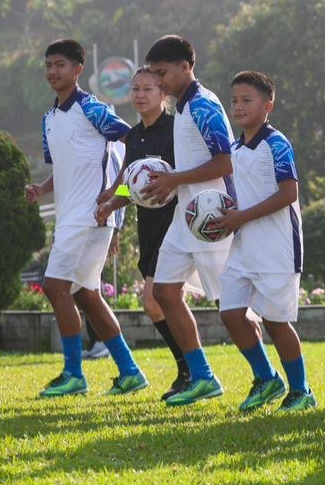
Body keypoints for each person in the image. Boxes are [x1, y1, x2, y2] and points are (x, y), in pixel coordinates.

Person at [26, 39, 146, 398]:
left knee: (55, 287)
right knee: (87, 296)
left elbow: (133, 141)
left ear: (78, 69)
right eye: (48, 65)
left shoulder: (92, 108)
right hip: (71, 219)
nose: (52, 71)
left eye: (60, 65)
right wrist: (43, 189)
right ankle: (130, 372)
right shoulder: (49, 119)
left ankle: (74, 375)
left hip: (89, 218)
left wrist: (117, 191)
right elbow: (65, 167)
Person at [211, 70, 316, 413]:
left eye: (247, 100)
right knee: (230, 313)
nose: (238, 107)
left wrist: (241, 217)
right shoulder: (235, 148)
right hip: (243, 247)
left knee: (275, 321)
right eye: (234, 101)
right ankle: (267, 378)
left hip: (277, 248)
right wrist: (224, 215)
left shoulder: (276, 144)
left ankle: (301, 390)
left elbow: (289, 193)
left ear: (267, 106)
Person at [141, 35, 236, 407]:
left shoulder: (203, 105)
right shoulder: (180, 107)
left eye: (162, 73)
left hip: (212, 216)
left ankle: (271, 378)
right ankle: (202, 376)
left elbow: (226, 162)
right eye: (153, 74)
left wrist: (175, 179)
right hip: (185, 217)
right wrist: (167, 185)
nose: (157, 82)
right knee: (163, 292)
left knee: (232, 306)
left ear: (185, 67)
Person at [95, 66, 189, 399]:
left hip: (176, 225)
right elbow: (128, 185)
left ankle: (192, 371)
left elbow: (190, 173)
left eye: (148, 89)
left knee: (154, 300)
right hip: (148, 227)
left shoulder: (177, 129)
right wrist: (111, 203)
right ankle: (190, 370)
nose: (140, 95)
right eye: (135, 89)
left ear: (163, 94)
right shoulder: (133, 137)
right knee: (157, 303)